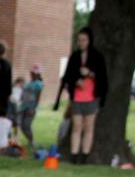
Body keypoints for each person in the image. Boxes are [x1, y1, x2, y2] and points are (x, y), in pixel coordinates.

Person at [55, 27, 107, 164]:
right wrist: (76, 81)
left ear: (89, 41)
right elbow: (67, 76)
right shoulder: (74, 57)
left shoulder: (97, 57)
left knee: (88, 127)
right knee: (77, 126)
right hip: (77, 97)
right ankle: (74, 155)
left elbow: (103, 78)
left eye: (83, 40)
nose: (81, 43)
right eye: (79, 40)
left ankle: (84, 155)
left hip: (91, 97)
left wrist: (89, 73)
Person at [18, 64, 44, 149]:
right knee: (21, 124)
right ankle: (30, 140)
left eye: (34, 73)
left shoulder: (39, 84)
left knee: (27, 125)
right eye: (31, 72)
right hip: (23, 107)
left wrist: (34, 108)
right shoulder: (28, 83)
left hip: (31, 108)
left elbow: (38, 97)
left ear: (38, 74)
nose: (32, 74)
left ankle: (32, 141)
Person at [0, 41, 13, 117]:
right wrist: (10, 93)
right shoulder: (7, 64)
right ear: (5, 51)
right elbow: (9, 80)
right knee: (3, 114)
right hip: (4, 93)